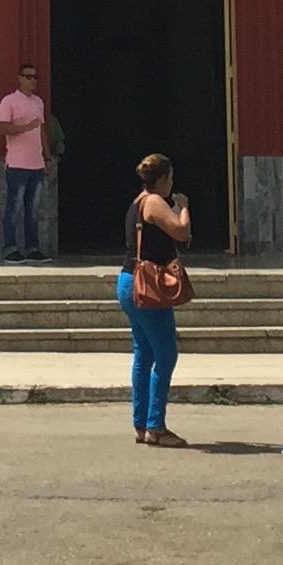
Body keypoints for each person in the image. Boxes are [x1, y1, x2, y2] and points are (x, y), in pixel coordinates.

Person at [116, 152, 191, 446]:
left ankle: (141, 423)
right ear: (162, 179)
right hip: (147, 287)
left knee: (144, 353)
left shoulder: (137, 202)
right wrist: (184, 207)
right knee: (166, 353)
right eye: (170, 178)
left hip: (128, 281)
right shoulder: (155, 202)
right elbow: (181, 232)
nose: (172, 183)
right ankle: (156, 426)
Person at [0, 63, 50, 261]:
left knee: (32, 210)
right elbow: (2, 128)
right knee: (14, 208)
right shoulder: (9, 101)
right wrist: (25, 127)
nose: (32, 80)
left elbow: (42, 130)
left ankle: (32, 248)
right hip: (17, 164)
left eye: (35, 77)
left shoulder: (38, 102)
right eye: (28, 77)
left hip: (37, 165)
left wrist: (47, 156)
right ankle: (10, 248)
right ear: (19, 78)